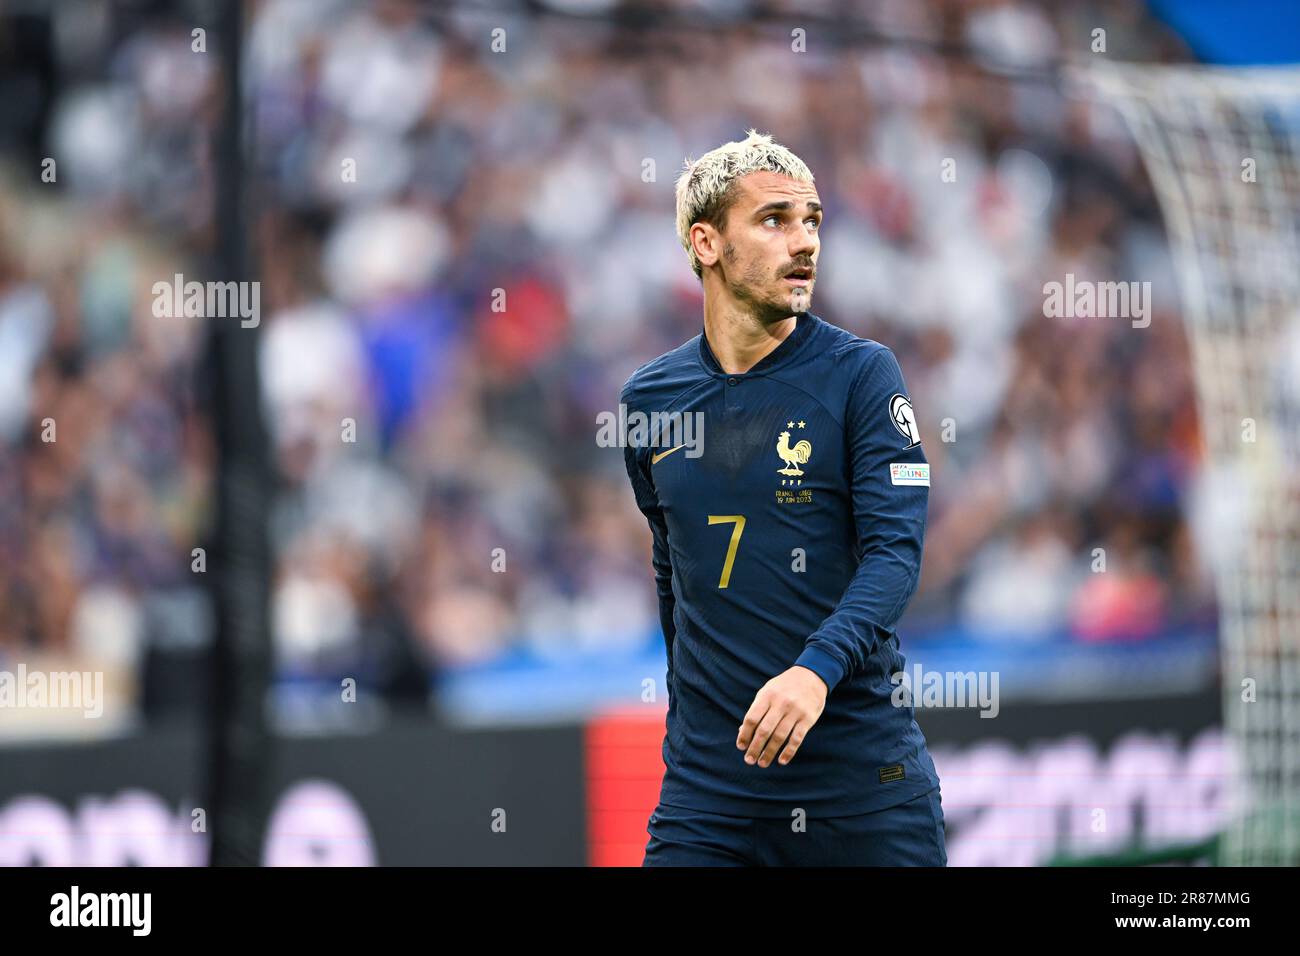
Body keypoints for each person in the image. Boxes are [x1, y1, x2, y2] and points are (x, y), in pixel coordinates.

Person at [620, 129, 945, 866]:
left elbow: (896, 555)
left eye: (813, 221)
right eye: (774, 220)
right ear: (706, 243)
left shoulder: (862, 375)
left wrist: (813, 671)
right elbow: (675, 574)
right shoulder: (649, 401)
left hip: (859, 789)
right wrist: (692, 727)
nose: (804, 242)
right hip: (711, 796)